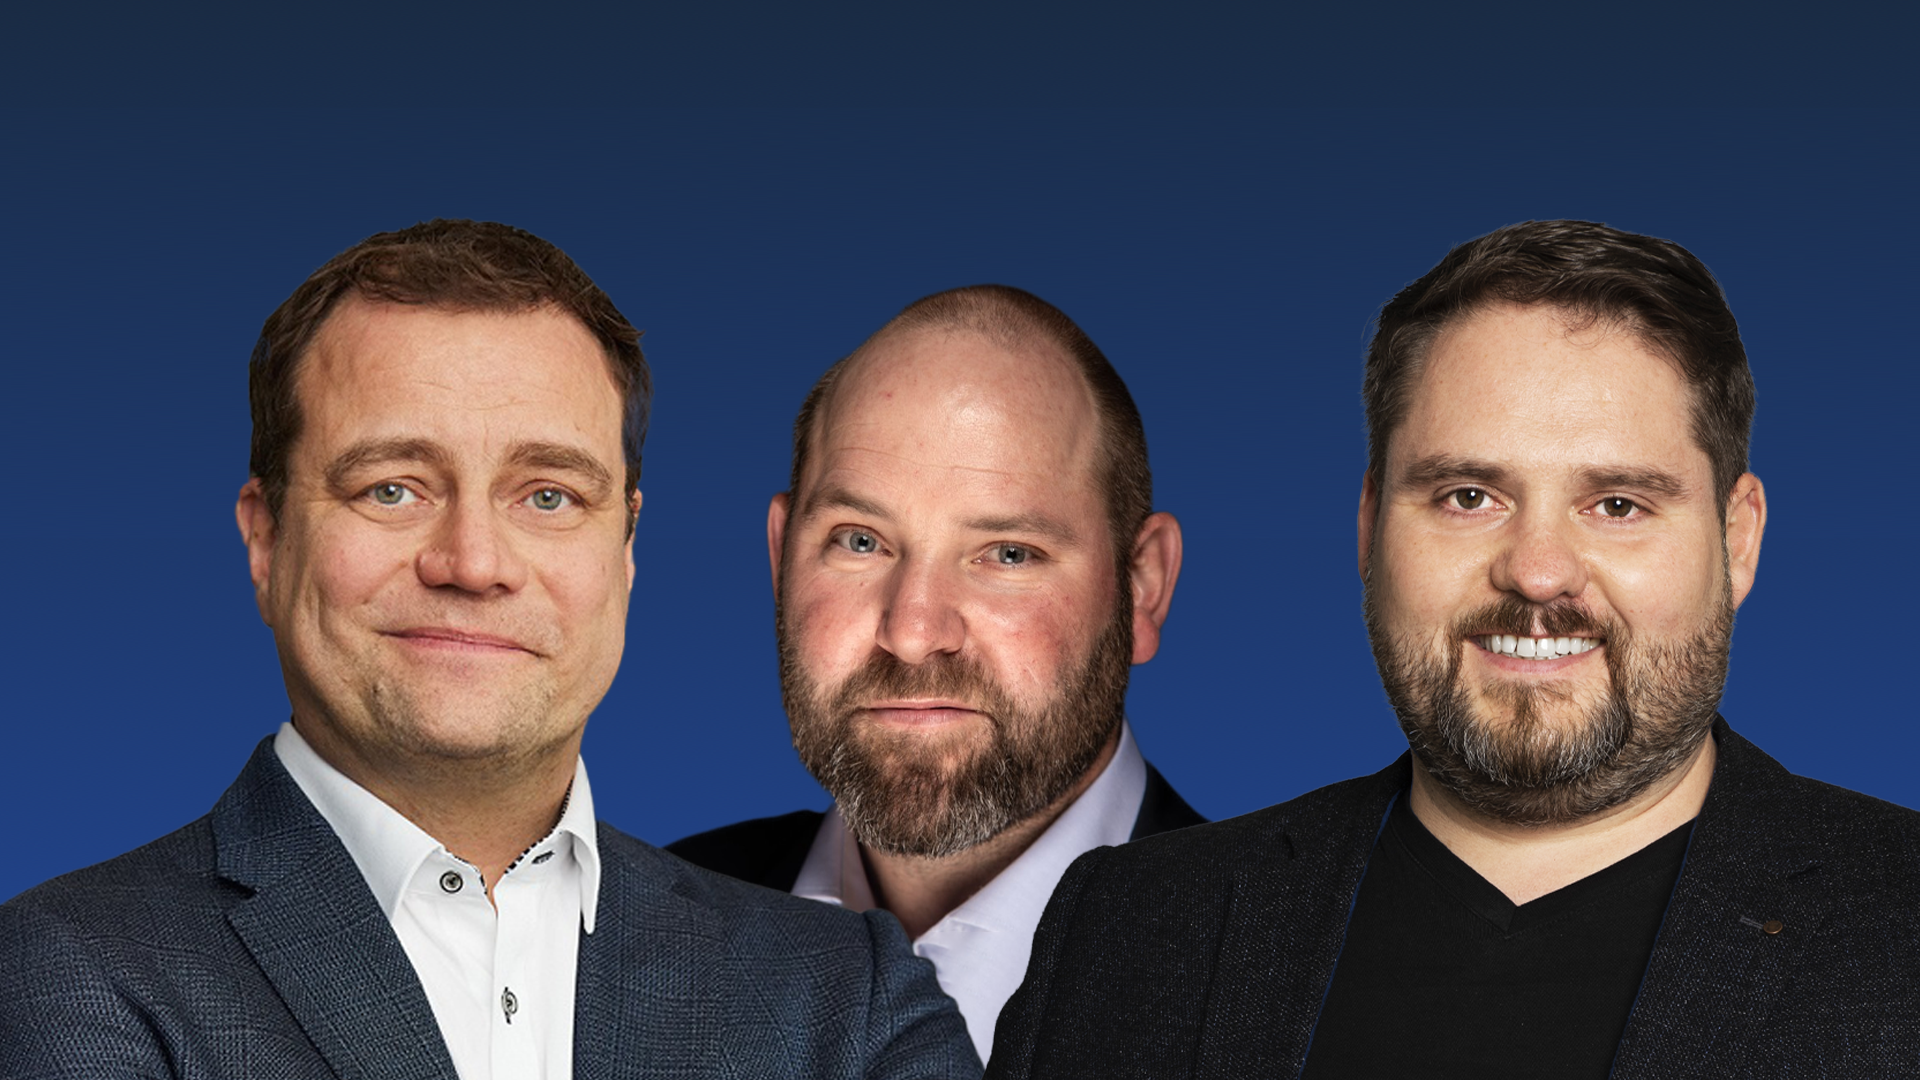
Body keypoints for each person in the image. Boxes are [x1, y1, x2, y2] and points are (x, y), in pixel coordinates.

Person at [0, 220, 978, 1080]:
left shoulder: (849, 995)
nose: (472, 563)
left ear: (626, 548)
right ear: (264, 539)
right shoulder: (66, 972)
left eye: (547, 496)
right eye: (393, 488)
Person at [987, 220, 1920, 1078]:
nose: (1539, 571)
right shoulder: (1130, 928)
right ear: (1368, 529)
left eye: (1619, 504)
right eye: (1469, 495)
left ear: (1738, 539)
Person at [669, 285, 1204, 1061]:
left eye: (1008, 554)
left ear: (1143, 587)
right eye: (860, 541)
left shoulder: (1306, 975)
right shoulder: (619, 938)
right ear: (782, 558)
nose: (914, 633)